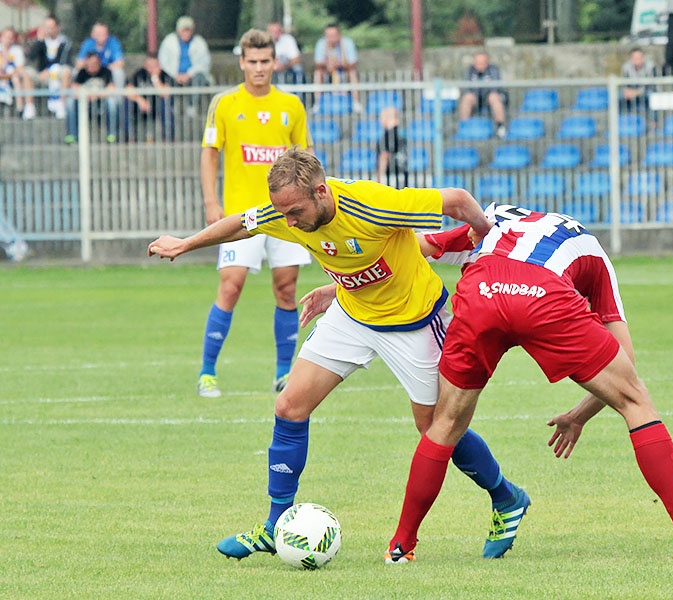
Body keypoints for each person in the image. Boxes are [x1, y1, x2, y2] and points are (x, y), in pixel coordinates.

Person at [147, 147, 526, 562]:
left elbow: (455, 200)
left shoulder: (372, 205)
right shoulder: (286, 212)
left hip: (415, 322)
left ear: (322, 192)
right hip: (351, 316)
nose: (288, 222)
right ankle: (275, 526)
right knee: (290, 406)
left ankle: (507, 499)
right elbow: (242, 223)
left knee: (436, 429)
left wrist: (482, 231)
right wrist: (185, 244)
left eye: (294, 212)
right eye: (282, 213)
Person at [384, 204, 673, 563]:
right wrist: (580, 415)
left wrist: (346, 279)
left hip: (481, 289)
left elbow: (415, 248)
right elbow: (624, 355)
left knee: (446, 423)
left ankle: (401, 546)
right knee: (634, 400)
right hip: (542, 294)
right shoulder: (591, 249)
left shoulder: (493, 217)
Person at [193, 28, 313, 399]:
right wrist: (211, 202)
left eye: (265, 61)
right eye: (252, 61)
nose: (259, 68)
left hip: (286, 216)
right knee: (231, 285)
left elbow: (306, 159)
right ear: (242, 62)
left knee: (287, 289)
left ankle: (282, 373)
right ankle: (207, 373)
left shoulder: (291, 105)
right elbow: (210, 153)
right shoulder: (224, 103)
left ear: (275, 62)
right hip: (241, 214)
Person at [25, 16, 74, 119]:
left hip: (58, 72)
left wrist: (50, 70)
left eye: (51, 27)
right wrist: (39, 41)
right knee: (27, 73)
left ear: (57, 28)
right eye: (46, 27)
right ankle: (29, 107)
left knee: (66, 71)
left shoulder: (64, 42)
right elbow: (31, 57)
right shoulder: (41, 41)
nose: (48, 30)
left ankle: (61, 105)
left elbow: (64, 61)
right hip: (42, 74)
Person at [64, 51, 118, 144]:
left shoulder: (106, 72)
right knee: (70, 102)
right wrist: (87, 96)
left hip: (102, 104)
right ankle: (72, 135)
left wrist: (96, 95)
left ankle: (112, 135)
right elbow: (75, 90)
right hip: (85, 105)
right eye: (90, 64)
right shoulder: (82, 73)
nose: (92, 66)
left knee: (112, 102)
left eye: (95, 63)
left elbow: (111, 89)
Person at [124, 54, 175, 142]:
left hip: (157, 106)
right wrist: (140, 100)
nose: (152, 68)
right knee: (127, 103)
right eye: (149, 66)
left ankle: (167, 137)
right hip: (140, 106)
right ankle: (130, 136)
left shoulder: (164, 75)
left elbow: (166, 94)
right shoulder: (139, 74)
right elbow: (128, 90)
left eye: (155, 66)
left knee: (166, 104)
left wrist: (155, 78)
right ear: (144, 65)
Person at [313, 23, 361, 112]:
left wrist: (339, 64)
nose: (331, 38)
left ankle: (356, 102)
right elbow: (317, 63)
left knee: (353, 73)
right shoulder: (321, 43)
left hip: (344, 69)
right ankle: (318, 102)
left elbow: (353, 62)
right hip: (327, 70)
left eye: (333, 35)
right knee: (318, 73)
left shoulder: (347, 42)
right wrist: (327, 64)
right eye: (328, 35)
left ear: (339, 35)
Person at [458, 51, 507, 139]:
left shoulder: (493, 69)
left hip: (488, 97)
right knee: (467, 97)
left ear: (487, 62)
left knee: (494, 97)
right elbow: (467, 87)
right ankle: (464, 126)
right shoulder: (469, 70)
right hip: (475, 97)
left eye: (482, 63)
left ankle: (500, 126)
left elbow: (495, 87)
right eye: (477, 63)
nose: (479, 65)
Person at [158, 16, 213, 90]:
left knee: (199, 79)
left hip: (192, 77)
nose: (186, 33)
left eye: (188, 30)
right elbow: (163, 62)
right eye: (184, 30)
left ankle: (194, 102)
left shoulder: (199, 42)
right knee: (165, 82)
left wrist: (188, 75)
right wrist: (175, 75)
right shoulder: (168, 41)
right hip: (173, 76)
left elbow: (203, 63)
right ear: (178, 30)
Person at [75, 22, 125, 88]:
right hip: (89, 72)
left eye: (104, 33)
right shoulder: (87, 43)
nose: (102, 36)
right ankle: (74, 97)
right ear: (93, 34)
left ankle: (116, 97)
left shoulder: (113, 43)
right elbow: (79, 64)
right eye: (99, 33)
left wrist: (101, 68)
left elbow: (120, 63)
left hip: (107, 72)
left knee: (118, 73)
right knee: (75, 72)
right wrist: (92, 66)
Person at [0, 27, 36, 120]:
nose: (8, 40)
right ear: (2, 37)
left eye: (11, 37)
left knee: (18, 78)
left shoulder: (17, 50)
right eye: (6, 37)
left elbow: (20, 68)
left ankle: (21, 108)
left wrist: (9, 74)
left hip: (11, 77)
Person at [376, 106, 408, 189]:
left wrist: (379, 177)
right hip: (403, 173)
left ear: (387, 118)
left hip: (391, 176)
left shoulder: (387, 136)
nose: (381, 121)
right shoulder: (403, 134)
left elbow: (384, 156)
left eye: (382, 118)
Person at [620, 47, 656, 116]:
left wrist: (636, 92)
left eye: (640, 58)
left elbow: (650, 85)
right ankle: (624, 120)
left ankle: (653, 122)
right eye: (635, 58)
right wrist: (627, 91)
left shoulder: (650, 66)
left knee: (652, 97)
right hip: (631, 92)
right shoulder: (626, 67)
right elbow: (624, 83)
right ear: (631, 59)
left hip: (647, 91)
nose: (638, 60)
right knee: (619, 97)